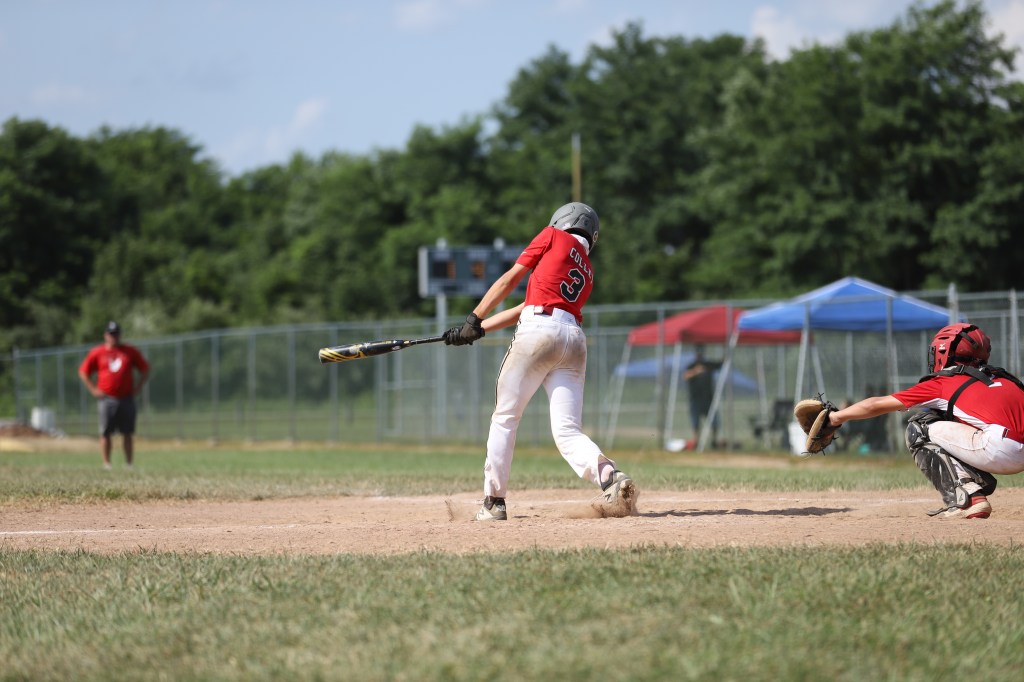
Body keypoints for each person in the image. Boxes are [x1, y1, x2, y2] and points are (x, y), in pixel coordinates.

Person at [443, 202, 638, 521]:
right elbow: (527, 306)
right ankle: (610, 477)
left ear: (563, 220)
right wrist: (477, 330)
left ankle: (494, 502)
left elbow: (510, 279)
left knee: (506, 417)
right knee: (567, 430)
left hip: (539, 332)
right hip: (573, 340)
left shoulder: (552, 236)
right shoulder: (587, 270)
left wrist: (474, 317)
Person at [827, 323, 1024, 519]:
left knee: (919, 427)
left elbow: (875, 404)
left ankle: (969, 498)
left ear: (944, 353)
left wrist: (835, 417)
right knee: (956, 417)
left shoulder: (943, 382)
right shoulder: (1004, 378)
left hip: (999, 450)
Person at [78, 321, 150, 470]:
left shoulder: (130, 351)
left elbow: (145, 369)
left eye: (116, 334)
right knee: (105, 432)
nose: (114, 337)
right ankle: (107, 464)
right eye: (111, 334)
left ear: (120, 335)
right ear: (105, 335)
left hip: (126, 398)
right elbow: (83, 372)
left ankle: (129, 464)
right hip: (106, 398)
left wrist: (138, 388)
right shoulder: (97, 352)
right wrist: (93, 389)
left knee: (127, 432)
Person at [683, 345, 722, 446]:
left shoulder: (708, 365)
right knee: (695, 423)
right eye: (698, 353)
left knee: (714, 422)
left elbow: (720, 364)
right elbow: (686, 376)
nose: (699, 355)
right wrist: (696, 371)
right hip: (695, 399)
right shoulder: (691, 366)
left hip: (708, 399)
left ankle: (714, 441)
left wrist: (724, 350)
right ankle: (696, 442)